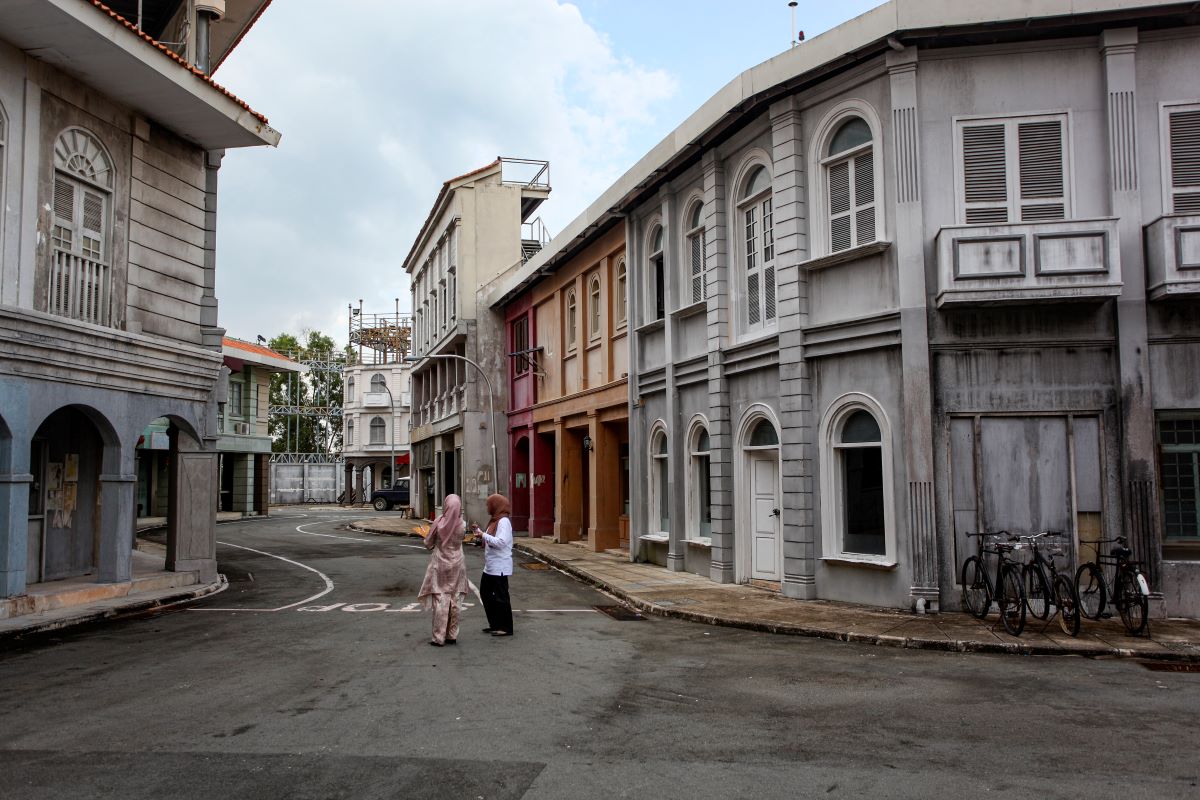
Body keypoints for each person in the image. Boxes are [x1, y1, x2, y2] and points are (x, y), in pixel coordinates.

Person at [417, 494, 469, 647]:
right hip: (458, 564)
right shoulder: (462, 524)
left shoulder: (439, 522)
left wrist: (425, 535)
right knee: (455, 599)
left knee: (440, 599)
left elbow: (428, 543)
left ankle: (438, 637)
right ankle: (452, 635)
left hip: (440, 564)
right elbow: (461, 539)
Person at [473, 493, 514, 637]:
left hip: (500, 566)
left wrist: (483, 535)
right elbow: (491, 539)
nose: (487, 507)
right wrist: (480, 534)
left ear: (496, 506)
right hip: (490, 566)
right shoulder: (494, 520)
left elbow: (501, 542)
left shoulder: (503, 522)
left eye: (489, 505)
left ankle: (506, 627)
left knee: (501, 597)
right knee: (485, 593)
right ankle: (495, 624)